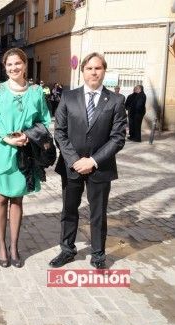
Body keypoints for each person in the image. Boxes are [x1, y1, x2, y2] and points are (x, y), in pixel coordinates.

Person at [50, 52, 126, 270]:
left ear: (104, 71)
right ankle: (67, 249)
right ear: (82, 71)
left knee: (98, 212)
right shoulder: (68, 97)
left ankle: (98, 254)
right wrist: (75, 161)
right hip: (71, 167)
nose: (94, 72)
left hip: (100, 167)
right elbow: (60, 132)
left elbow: (118, 138)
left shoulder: (115, 100)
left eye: (98, 68)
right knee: (69, 210)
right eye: (89, 68)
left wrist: (92, 161)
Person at [0, 48, 51, 268]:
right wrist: (7, 137)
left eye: (17, 63)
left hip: (25, 151)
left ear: (25, 65)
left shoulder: (36, 92)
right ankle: (1, 246)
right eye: (9, 65)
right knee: (1, 198)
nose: (13, 68)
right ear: (5, 68)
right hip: (2, 150)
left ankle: (14, 245)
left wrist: (27, 135)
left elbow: (45, 120)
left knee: (18, 200)